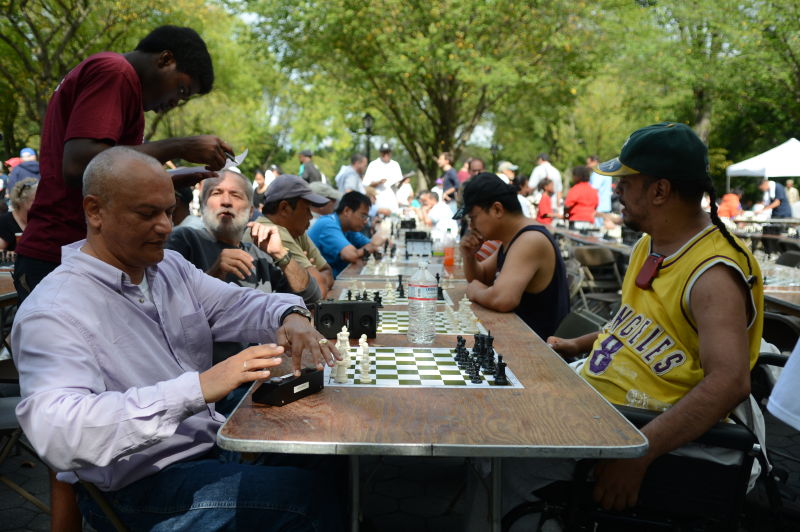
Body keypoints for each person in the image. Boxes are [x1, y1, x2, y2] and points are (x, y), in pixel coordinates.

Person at [12, 147, 343, 531]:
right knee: (305, 499)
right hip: (137, 488)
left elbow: (237, 303)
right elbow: (61, 435)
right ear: (94, 211)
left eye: (168, 211)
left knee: (330, 447)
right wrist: (200, 387)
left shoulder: (167, 268)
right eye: (147, 213)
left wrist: (290, 315)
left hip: (208, 449)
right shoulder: (53, 309)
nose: (166, 226)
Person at [479, 122, 764, 530]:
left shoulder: (713, 274)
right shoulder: (652, 242)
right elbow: (638, 326)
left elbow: (730, 383)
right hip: (606, 407)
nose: (616, 191)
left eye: (626, 183)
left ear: (660, 191)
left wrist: (641, 454)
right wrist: (579, 344)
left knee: (505, 453)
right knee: (496, 411)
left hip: (654, 432)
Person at [14, 25, 232, 304]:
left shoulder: (120, 84)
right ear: (165, 59)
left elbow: (105, 174)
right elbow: (79, 165)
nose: (174, 102)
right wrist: (181, 146)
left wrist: (171, 178)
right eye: (180, 89)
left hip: (79, 254)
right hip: (59, 253)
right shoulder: (115, 72)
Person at [167, 169, 320, 306]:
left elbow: (311, 298)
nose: (226, 201)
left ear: (251, 210)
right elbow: (166, 305)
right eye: (216, 193)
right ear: (204, 204)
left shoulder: (261, 254)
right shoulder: (185, 240)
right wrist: (215, 275)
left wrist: (282, 255)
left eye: (235, 195)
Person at [456, 172, 569, 340]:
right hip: (519, 339)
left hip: (539, 351)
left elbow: (503, 299)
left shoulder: (530, 239)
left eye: (473, 217)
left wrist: (475, 291)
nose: (471, 226)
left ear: (497, 209)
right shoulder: (511, 238)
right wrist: (469, 256)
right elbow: (483, 276)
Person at [258, 174, 335, 299]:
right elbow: (320, 291)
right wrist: (312, 276)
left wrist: (311, 276)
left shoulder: (296, 230)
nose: (310, 216)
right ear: (284, 208)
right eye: (306, 209)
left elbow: (327, 272)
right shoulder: (271, 231)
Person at [308, 191, 385, 277]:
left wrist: (369, 247)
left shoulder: (349, 229)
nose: (365, 221)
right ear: (347, 211)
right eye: (363, 216)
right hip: (321, 284)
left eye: (367, 217)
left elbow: (371, 245)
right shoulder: (328, 224)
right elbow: (351, 255)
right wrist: (368, 248)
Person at [362, 143, 402, 214]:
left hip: (392, 201)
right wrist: (378, 182)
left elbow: (399, 183)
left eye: (387, 152)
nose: (386, 155)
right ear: (380, 153)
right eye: (384, 153)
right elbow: (366, 185)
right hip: (379, 202)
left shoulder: (395, 165)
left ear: (390, 153)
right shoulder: (373, 164)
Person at [0, 178, 37, 251]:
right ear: (21, 201)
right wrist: (9, 253)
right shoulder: (5, 221)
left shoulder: (41, 220)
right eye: (35, 200)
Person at [588, 154, 612, 225]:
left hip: (598, 207)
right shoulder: (605, 171)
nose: (588, 166)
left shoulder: (598, 173)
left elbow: (594, 190)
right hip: (605, 206)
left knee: (597, 231)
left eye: (589, 163)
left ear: (595, 162)